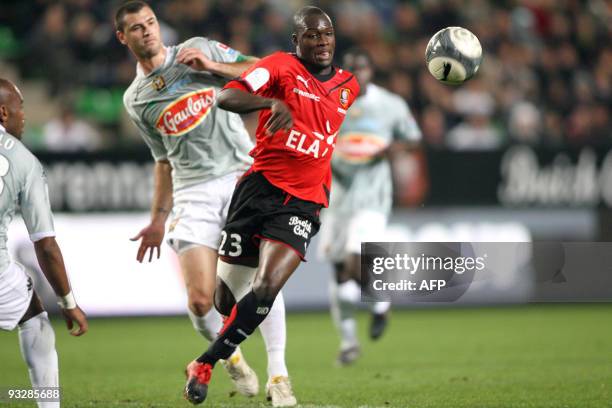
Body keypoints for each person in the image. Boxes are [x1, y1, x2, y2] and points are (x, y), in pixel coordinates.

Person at [114, 1, 296, 405]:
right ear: (122, 37)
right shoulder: (136, 100)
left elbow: (263, 67)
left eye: (151, 22)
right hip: (193, 192)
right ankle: (229, 355)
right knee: (200, 299)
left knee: (259, 280)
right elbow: (162, 161)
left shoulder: (198, 49)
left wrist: (214, 69)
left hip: (240, 179)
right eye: (136, 28)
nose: (147, 31)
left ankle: (279, 374)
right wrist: (158, 219)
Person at [183, 6, 360, 405]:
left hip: (302, 204)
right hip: (257, 191)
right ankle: (231, 354)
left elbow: (323, 131)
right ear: (296, 42)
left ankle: (207, 363)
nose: (322, 41)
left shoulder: (349, 85)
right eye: (312, 36)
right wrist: (268, 104)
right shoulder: (278, 68)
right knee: (225, 301)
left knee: (265, 287)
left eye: (327, 34)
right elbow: (228, 96)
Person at [317, 48, 422, 365]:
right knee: (339, 272)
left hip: (373, 196)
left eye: (362, 68)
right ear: (342, 72)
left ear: (371, 71)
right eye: (351, 69)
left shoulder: (390, 105)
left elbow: (413, 138)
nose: (357, 74)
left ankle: (376, 304)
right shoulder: (328, 101)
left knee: (353, 259)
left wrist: (392, 149)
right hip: (336, 197)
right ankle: (351, 339)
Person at [0, 78, 88, 408]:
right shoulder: (24, 161)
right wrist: (68, 302)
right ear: (3, 112)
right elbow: (46, 245)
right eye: (21, 108)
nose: (25, 116)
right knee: (34, 315)